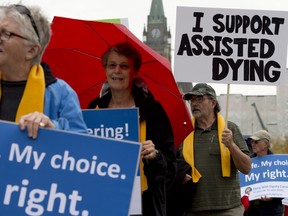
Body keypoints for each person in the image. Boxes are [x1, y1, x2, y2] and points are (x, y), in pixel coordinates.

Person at [88, 42, 176, 216]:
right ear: (105, 69)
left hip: (145, 206)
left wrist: (155, 156)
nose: (117, 71)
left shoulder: (153, 111)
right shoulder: (93, 110)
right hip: (104, 202)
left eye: (124, 66)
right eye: (112, 65)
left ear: (134, 71)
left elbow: (171, 169)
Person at [0, 4, 87, 137]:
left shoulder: (62, 93)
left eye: (6, 33)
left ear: (32, 51)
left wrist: (52, 128)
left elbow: (84, 145)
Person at [177, 83, 251, 216]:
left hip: (228, 209)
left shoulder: (230, 129)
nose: (194, 104)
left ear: (213, 103)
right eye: (192, 100)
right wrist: (179, 174)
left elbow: (246, 168)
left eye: (199, 99)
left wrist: (231, 145)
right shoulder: (184, 130)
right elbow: (172, 164)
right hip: (193, 209)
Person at [247, 130, 284, 216]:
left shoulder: (278, 163)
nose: (253, 144)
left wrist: (273, 197)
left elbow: (284, 187)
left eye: (256, 142)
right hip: (252, 211)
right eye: (252, 142)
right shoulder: (247, 161)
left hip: (272, 211)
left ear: (266, 144)